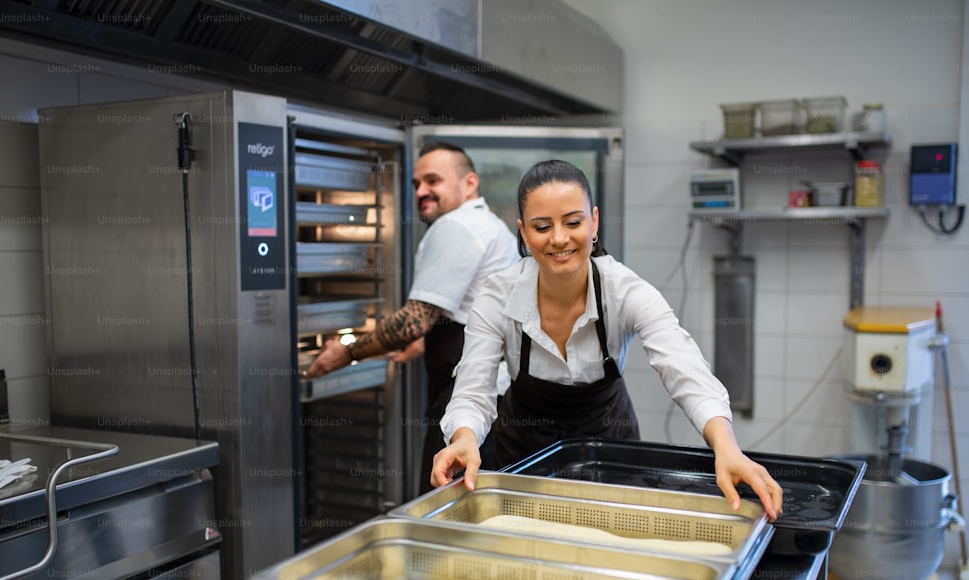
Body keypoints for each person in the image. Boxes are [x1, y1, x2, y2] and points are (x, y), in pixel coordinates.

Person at [432, 159, 783, 520]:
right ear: (522, 231)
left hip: (610, 450)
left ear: (594, 221)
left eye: (573, 222)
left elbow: (685, 370)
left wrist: (726, 448)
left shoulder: (625, 292)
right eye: (542, 226)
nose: (559, 238)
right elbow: (474, 391)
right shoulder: (497, 297)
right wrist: (464, 438)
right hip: (524, 455)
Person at [305, 141, 519, 491]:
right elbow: (467, 308)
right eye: (416, 184)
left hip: (468, 399)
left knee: (441, 505)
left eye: (433, 181)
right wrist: (422, 343)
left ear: (469, 183)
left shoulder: (457, 226)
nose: (422, 192)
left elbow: (414, 319)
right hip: (493, 399)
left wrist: (345, 353)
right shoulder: (487, 225)